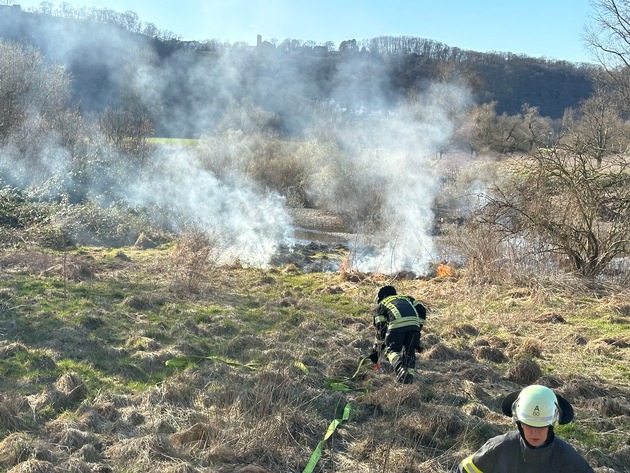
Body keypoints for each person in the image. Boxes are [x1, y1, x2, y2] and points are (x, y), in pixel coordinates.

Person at [454, 384, 594, 472]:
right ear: (519, 423)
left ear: (551, 425)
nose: (535, 432)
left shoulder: (569, 460)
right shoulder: (499, 449)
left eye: (541, 426)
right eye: (529, 425)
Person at [368, 285, 426, 384]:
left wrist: (375, 352)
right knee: (409, 351)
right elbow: (422, 310)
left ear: (380, 297)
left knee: (390, 351)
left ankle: (400, 369)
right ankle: (408, 379)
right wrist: (417, 327)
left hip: (397, 325)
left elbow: (381, 332)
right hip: (414, 326)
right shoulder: (407, 298)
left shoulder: (382, 304)